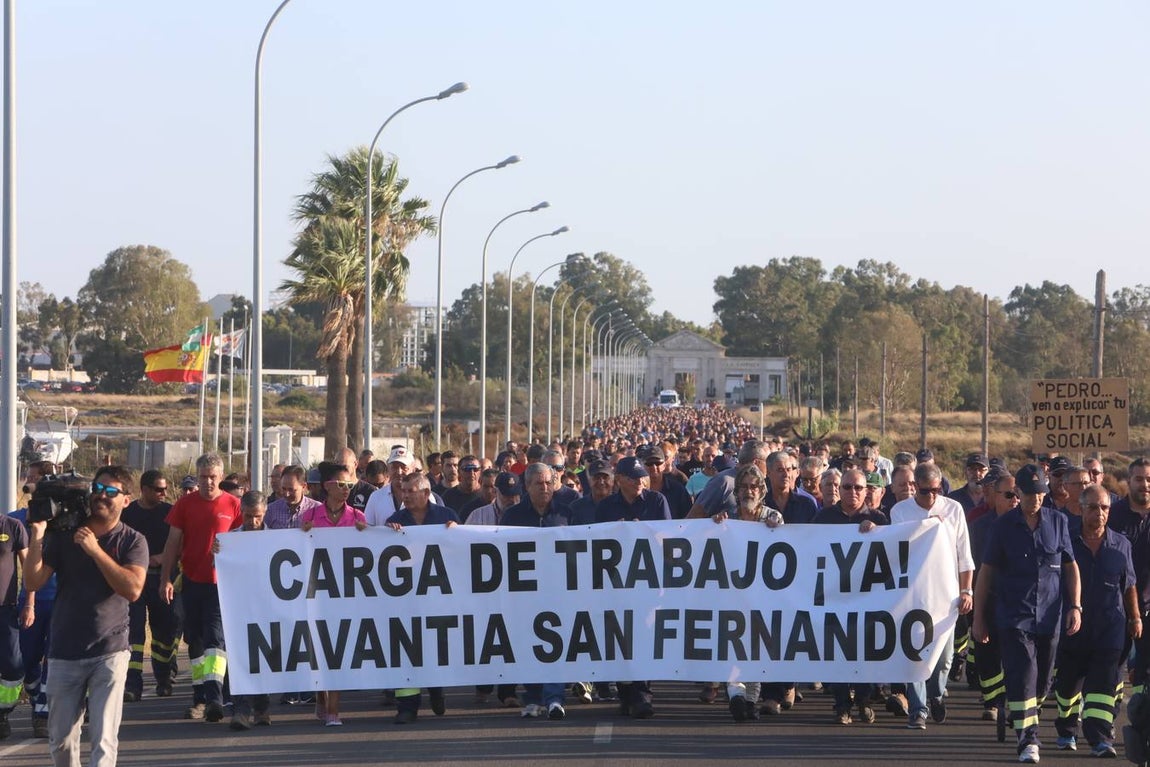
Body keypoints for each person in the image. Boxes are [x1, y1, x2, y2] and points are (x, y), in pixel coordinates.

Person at [23, 465, 147, 767]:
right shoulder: (66, 533)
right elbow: (33, 582)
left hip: (110, 650)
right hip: (64, 651)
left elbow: (132, 590)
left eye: (111, 492)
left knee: (103, 740)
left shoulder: (132, 541)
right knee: (62, 742)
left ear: (126, 500)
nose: (102, 497)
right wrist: (38, 536)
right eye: (98, 489)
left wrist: (95, 551)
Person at [973, 464, 1081, 764]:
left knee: (1044, 682)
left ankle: (1017, 710)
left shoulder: (1058, 522)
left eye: (1041, 493)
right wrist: (979, 619)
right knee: (1023, 676)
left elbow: (1071, 567)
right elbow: (986, 573)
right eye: (1030, 493)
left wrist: (1075, 606)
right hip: (1014, 616)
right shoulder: (1003, 526)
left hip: (1050, 616)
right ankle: (1028, 739)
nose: (1036, 499)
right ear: (1018, 493)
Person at [1052, 484, 1137, 757]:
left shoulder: (1121, 544)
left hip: (1110, 627)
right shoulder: (1066, 540)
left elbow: (1129, 585)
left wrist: (1134, 617)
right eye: (1092, 508)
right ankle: (1066, 729)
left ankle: (1100, 738)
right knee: (1067, 686)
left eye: (1104, 508)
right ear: (1081, 508)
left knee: (1102, 685)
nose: (1099, 513)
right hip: (1072, 628)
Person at [890, 462, 974, 729]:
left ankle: (936, 693)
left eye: (937, 490)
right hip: (913, 595)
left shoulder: (954, 509)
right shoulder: (900, 511)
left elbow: (965, 555)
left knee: (944, 657)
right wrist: (925, 527)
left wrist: (966, 590)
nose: (932, 496)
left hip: (946, 595)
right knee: (915, 655)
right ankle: (918, 709)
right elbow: (897, 548)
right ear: (915, 487)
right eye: (926, 491)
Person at [159, 453, 242, 723]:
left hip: (221, 586)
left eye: (213, 477)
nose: (208, 482)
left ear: (221, 477)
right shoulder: (184, 504)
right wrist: (165, 579)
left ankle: (215, 699)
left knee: (214, 641)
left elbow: (247, 542)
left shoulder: (233, 505)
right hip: (191, 582)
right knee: (194, 643)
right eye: (204, 477)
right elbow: (172, 543)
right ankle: (199, 697)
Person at [813, 468, 889, 725]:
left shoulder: (879, 518)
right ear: (839, 489)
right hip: (833, 596)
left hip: (867, 598)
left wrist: (878, 531)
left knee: (865, 650)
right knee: (836, 650)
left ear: (867, 491)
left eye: (858, 487)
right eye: (847, 487)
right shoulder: (823, 517)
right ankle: (842, 703)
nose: (852, 492)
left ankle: (864, 701)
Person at [709, 464, 782, 723]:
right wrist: (715, 526)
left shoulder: (773, 517)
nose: (749, 491)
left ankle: (750, 700)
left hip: (763, 599)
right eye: (744, 487)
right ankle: (735, 695)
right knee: (733, 649)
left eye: (754, 486)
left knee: (757, 651)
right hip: (732, 597)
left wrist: (778, 529)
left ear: (761, 491)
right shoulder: (726, 517)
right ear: (737, 491)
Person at [385, 472, 459, 724]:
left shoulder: (447, 517)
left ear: (426, 494)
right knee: (406, 649)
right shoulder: (394, 520)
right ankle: (407, 706)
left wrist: (457, 533)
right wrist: (385, 535)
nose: (404, 496)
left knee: (435, 646)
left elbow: (462, 553)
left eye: (410, 491)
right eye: (402, 491)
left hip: (438, 596)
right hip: (405, 599)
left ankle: (436, 689)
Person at [499, 463, 570, 721]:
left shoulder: (567, 514)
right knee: (529, 644)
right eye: (538, 484)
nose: (545, 488)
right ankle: (533, 696)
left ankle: (554, 698)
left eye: (549, 483)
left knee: (555, 644)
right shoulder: (512, 516)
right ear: (526, 486)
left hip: (559, 592)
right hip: (525, 593)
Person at [300, 463, 367, 727]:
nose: (346, 490)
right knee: (319, 648)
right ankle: (320, 695)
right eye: (341, 485)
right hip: (317, 592)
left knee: (337, 648)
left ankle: (334, 711)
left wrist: (369, 533)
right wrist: (301, 535)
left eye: (350, 485)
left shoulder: (357, 517)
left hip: (347, 594)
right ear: (327, 487)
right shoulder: (311, 516)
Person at [213, 491, 275, 730]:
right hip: (239, 609)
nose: (253, 522)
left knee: (264, 659)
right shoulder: (231, 540)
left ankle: (262, 707)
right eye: (248, 516)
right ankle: (241, 710)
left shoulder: (276, 539)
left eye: (257, 516)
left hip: (267, 608)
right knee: (239, 659)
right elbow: (218, 568)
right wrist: (216, 553)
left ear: (265, 512)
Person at [120, 469, 179, 701]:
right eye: (158, 489)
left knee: (164, 632)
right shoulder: (129, 513)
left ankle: (164, 678)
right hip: (135, 580)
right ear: (143, 490)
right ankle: (132, 685)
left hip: (161, 578)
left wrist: (162, 558)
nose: (163, 493)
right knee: (134, 634)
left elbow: (179, 544)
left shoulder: (170, 512)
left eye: (165, 489)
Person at [0, 499, 29, 738]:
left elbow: (28, 569)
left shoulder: (12, 526)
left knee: (12, 665)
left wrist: (29, 603)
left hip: (6, 609)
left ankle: (3, 711)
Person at [264, 465, 322, 530]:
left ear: (304, 486)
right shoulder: (271, 510)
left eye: (291, 490)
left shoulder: (317, 509)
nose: (287, 494)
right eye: (283, 489)